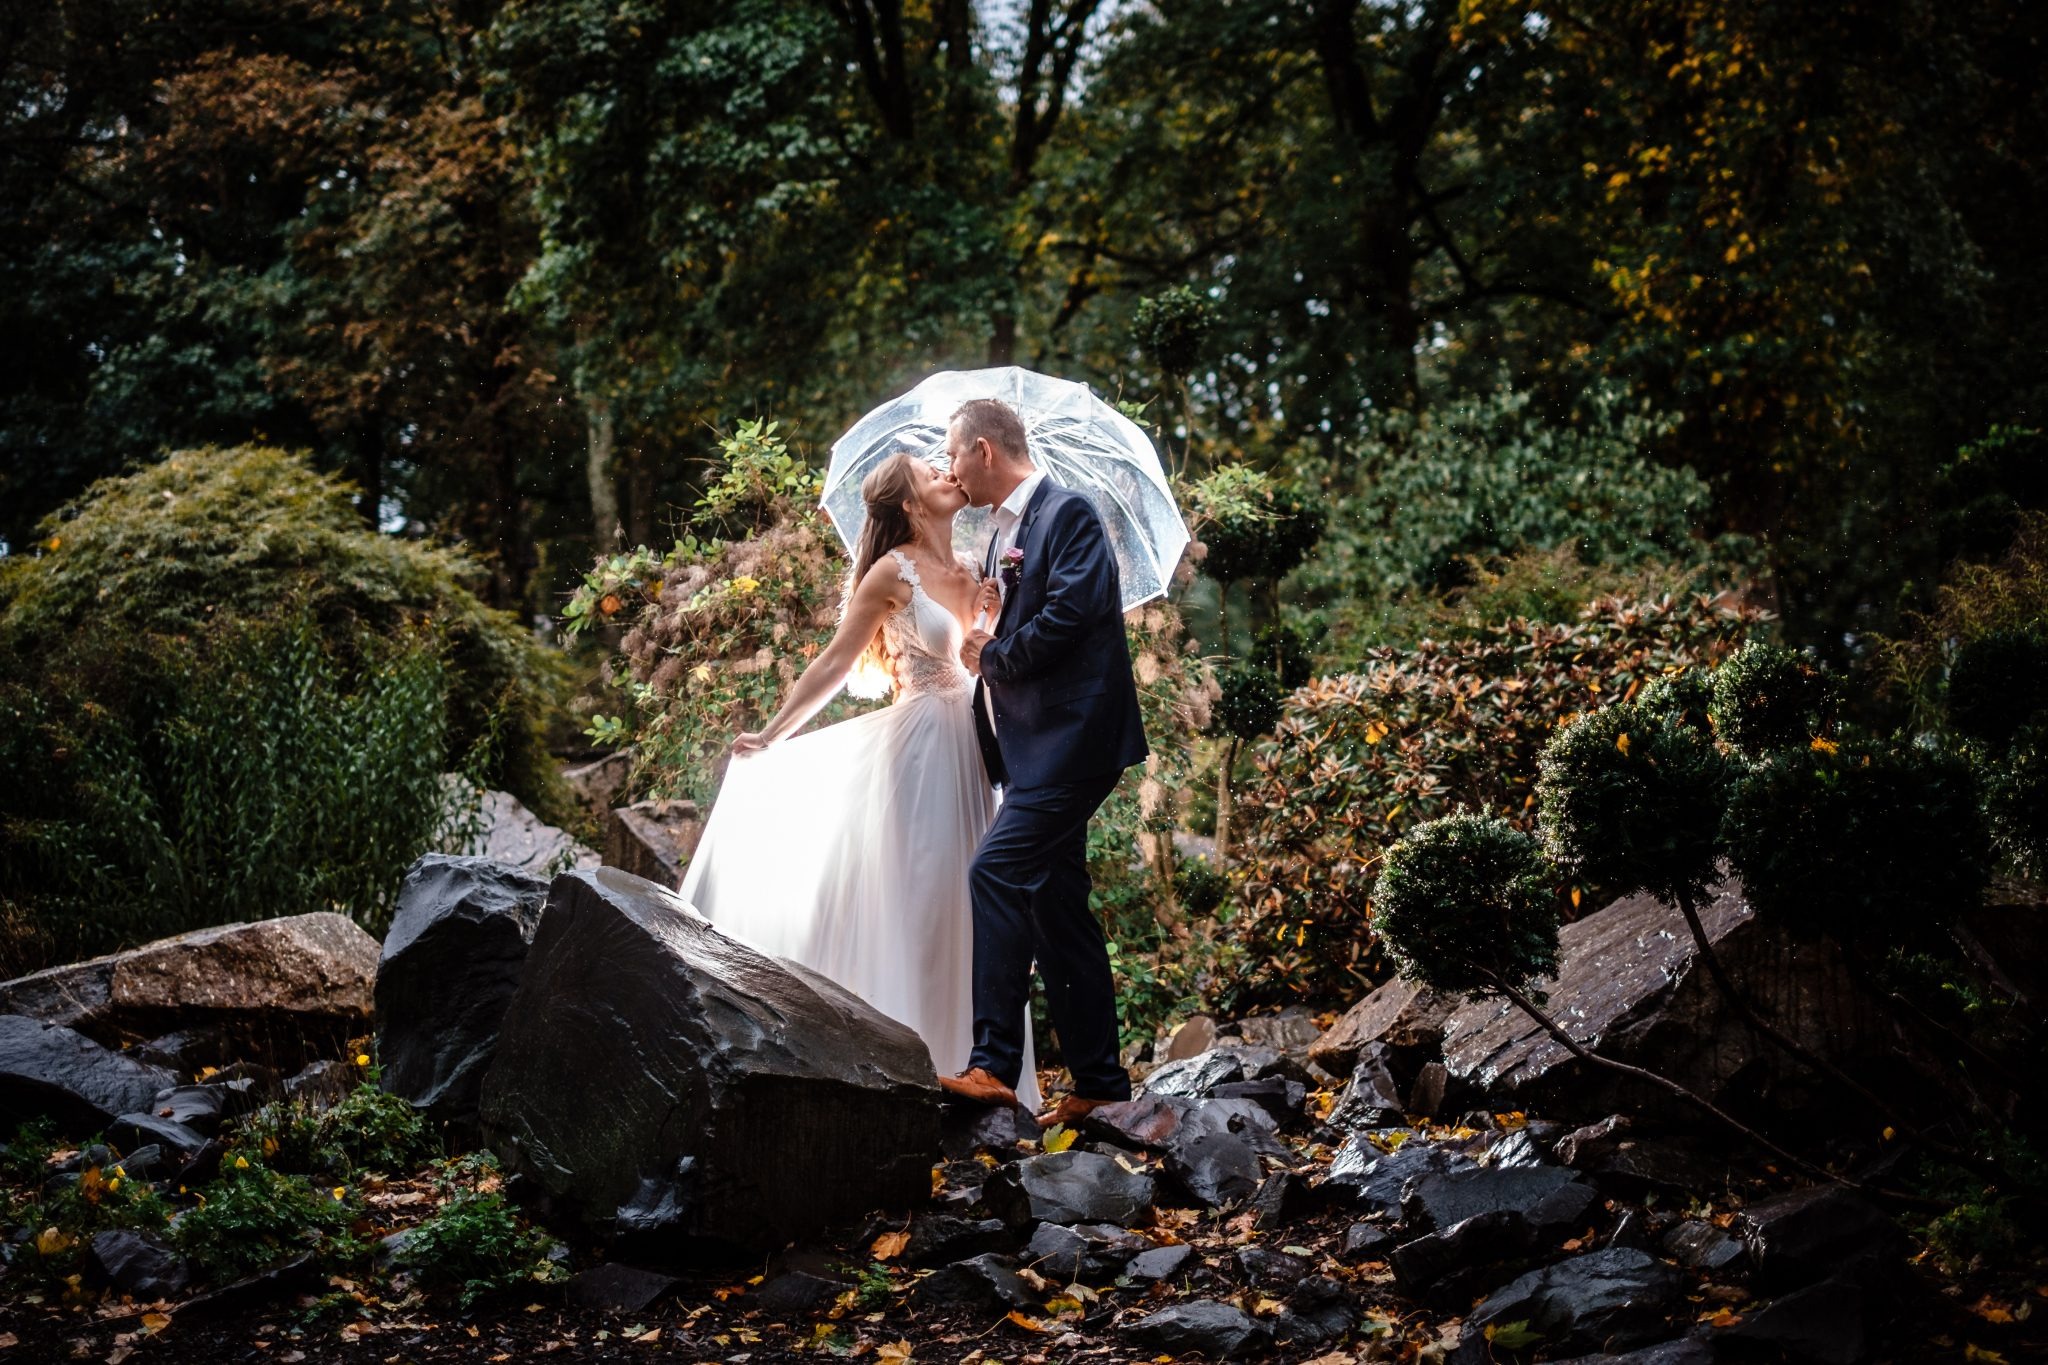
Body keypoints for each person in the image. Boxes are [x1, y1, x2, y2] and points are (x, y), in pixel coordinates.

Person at [678, 450, 1039, 1110]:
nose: (947, 472)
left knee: (973, 909)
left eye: (945, 464)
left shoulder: (976, 565)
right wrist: (772, 733)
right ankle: (905, 1080)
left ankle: (977, 1073)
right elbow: (835, 664)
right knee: (922, 905)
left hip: (974, 750)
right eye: (930, 472)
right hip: (921, 753)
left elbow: (978, 659)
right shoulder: (891, 571)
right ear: (910, 503)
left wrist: (987, 616)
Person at [940, 397, 1149, 1128]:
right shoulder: (1003, 535)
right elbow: (1026, 620)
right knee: (1057, 906)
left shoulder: (1068, 513)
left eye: (953, 453)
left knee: (994, 872)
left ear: (984, 450)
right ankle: (1100, 1084)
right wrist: (989, 618)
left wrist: (993, 654)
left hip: (1075, 742)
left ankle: (993, 1066)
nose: (949, 468)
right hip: (1034, 749)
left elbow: (1071, 615)